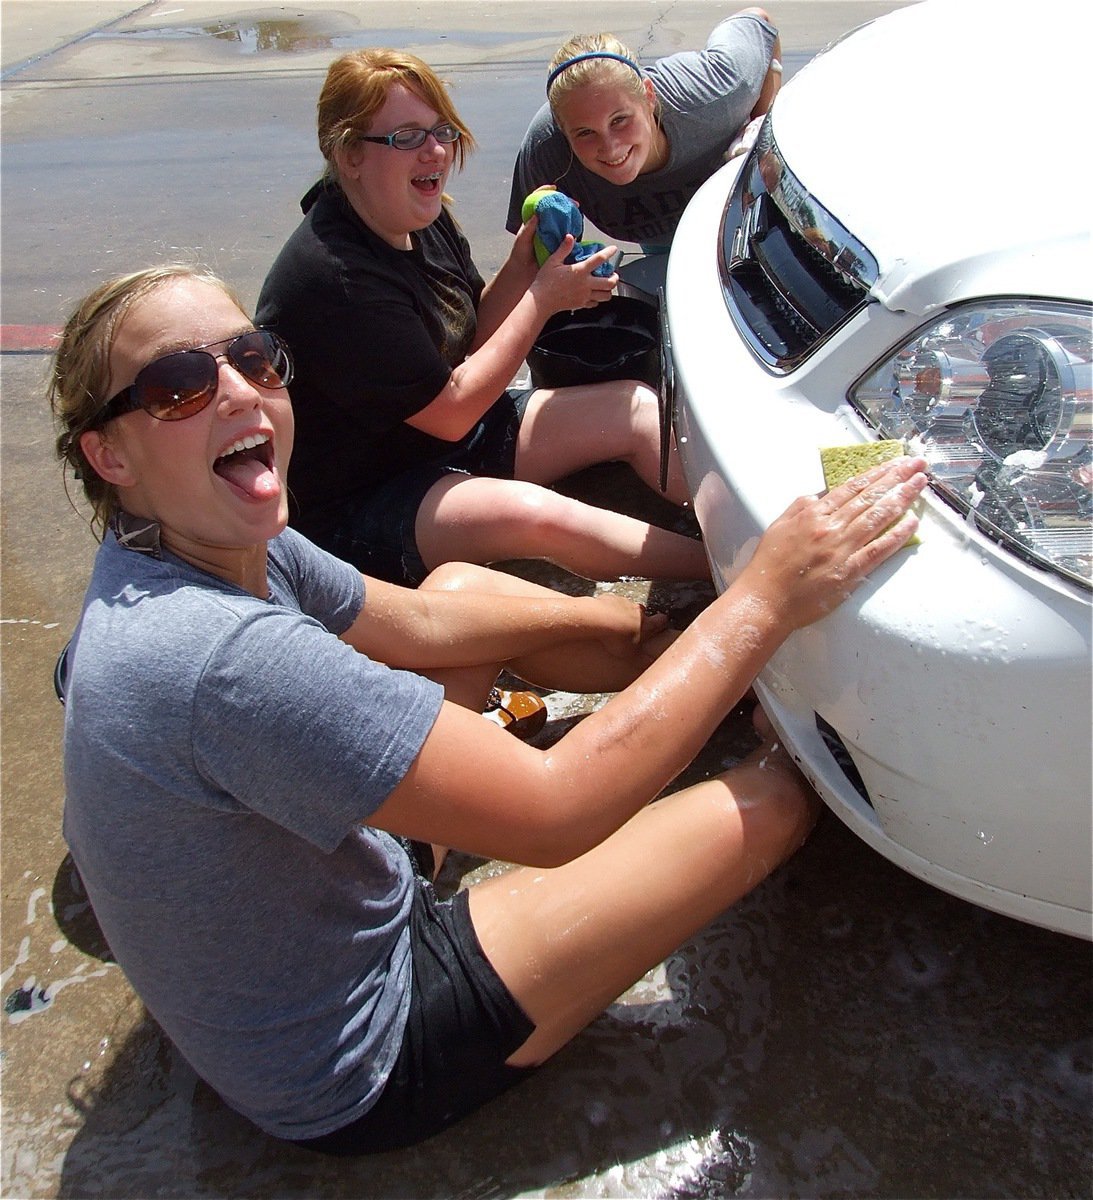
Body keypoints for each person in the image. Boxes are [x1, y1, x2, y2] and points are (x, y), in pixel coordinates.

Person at [52, 263, 926, 1155]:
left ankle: (682, 652)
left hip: (329, 884)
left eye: (252, 358)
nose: (238, 391)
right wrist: (765, 598)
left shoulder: (219, 545)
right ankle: (749, 685)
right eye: (178, 386)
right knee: (776, 797)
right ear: (108, 454)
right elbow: (554, 812)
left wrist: (661, 626)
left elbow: (429, 619)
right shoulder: (219, 655)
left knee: (466, 588)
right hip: (357, 1046)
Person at [257, 48, 708, 588]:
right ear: (349, 153)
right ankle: (728, 566)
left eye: (441, 131)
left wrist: (522, 264)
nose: (435, 152)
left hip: (448, 435)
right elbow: (450, 412)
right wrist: (542, 300)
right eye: (406, 137)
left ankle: (736, 517)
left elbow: (471, 337)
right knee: (531, 515)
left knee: (635, 408)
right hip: (363, 496)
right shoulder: (337, 277)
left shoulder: (415, 213)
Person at [506, 8, 783, 251]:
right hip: (663, 240)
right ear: (562, 129)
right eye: (585, 133)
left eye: (620, 120)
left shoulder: (721, 92)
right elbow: (530, 261)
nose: (611, 148)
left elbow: (759, 21)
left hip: (737, 227)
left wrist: (760, 128)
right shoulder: (546, 148)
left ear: (649, 96)